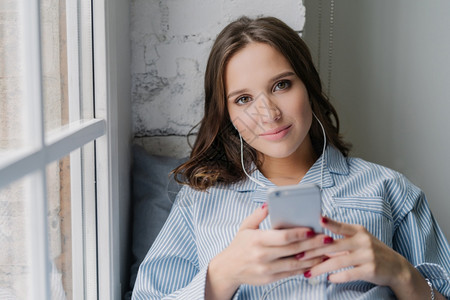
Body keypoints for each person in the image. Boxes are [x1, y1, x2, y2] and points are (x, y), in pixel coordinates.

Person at [132, 16, 450, 299]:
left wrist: (401, 273)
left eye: (281, 85)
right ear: (226, 114)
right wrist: (221, 276)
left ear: (308, 86)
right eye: (243, 99)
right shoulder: (199, 201)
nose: (268, 113)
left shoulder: (390, 190)